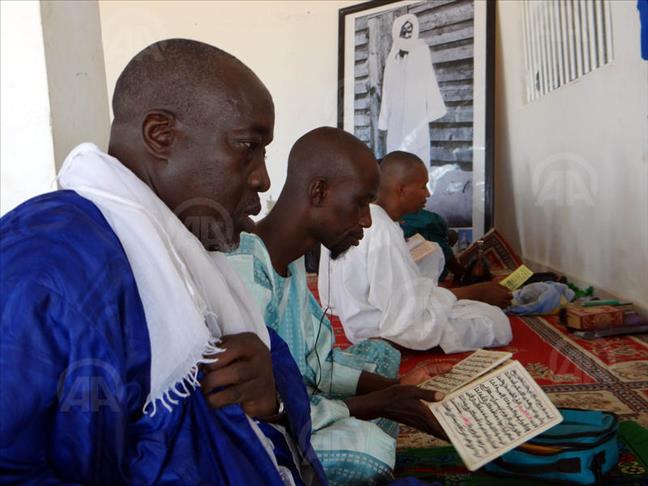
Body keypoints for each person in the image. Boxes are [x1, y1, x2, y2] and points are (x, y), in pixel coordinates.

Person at [0, 39, 327, 485]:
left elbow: (267, 389)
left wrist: (271, 397)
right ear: (161, 135)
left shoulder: (185, 255)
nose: (263, 178)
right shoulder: (44, 268)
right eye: (248, 146)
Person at [227, 128, 449, 485]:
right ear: (318, 192)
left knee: (381, 351)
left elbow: (318, 366)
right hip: (261, 435)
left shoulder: (293, 260)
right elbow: (262, 413)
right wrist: (380, 403)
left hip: (304, 398)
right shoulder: (248, 270)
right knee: (369, 451)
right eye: (361, 203)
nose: (366, 220)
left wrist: (398, 389)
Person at [319, 151, 513, 353]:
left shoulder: (363, 216)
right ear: (401, 189)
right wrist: (477, 292)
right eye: (422, 186)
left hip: (355, 312)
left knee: (433, 251)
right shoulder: (381, 228)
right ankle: (392, 343)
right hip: (376, 327)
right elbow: (407, 314)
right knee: (496, 322)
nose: (427, 194)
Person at [378, 13, 446, 166]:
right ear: (397, 32)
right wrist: (384, 118)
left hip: (416, 110)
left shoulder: (421, 51)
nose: (407, 33)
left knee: (417, 147)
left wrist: (433, 108)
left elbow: (429, 78)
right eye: (404, 30)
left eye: (410, 29)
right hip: (396, 111)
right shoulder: (392, 56)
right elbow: (387, 90)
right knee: (396, 147)